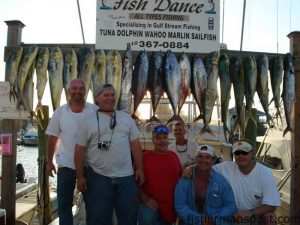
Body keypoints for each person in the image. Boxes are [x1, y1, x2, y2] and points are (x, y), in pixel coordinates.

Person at [74, 83, 144, 225]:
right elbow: (79, 150)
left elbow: (135, 145)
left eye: (112, 95)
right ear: (97, 98)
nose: (110, 98)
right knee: (99, 220)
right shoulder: (87, 120)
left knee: (128, 219)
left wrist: (140, 169)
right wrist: (80, 176)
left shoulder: (126, 118)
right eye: (106, 95)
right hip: (98, 178)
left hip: (126, 178)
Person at [184, 140, 281, 225]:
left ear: (251, 153)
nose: (241, 156)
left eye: (244, 152)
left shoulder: (265, 172)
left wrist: (249, 213)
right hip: (230, 215)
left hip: (254, 215)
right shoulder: (226, 167)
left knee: (270, 217)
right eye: (237, 153)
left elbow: (272, 205)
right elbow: (206, 168)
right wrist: (191, 167)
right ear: (234, 155)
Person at [45, 79, 98, 225]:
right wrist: (49, 163)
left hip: (89, 166)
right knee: (64, 206)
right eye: (74, 88)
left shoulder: (94, 110)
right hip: (66, 166)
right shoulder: (60, 112)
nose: (78, 91)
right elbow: (52, 139)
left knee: (92, 205)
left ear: (85, 91)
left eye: (81, 88)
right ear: (68, 91)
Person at [175, 145, 237, 225]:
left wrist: (213, 220)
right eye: (200, 156)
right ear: (195, 159)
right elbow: (180, 205)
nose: (203, 160)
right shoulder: (185, 180)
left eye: (208, 157)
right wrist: (200, 220)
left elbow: (231, 206)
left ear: (213, 160)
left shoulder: (221, 181)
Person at [138, 124, 182, 225]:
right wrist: (145, 199)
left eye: (165, 137)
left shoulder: (174, 156)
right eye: (158, 138)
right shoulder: (144, 157)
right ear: (152, 140)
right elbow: (133, 182)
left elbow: (181, 179)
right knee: (147, 218)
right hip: (151, 205)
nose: (162, 141)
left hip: (170, 206)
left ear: (168, 140)